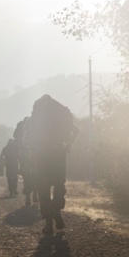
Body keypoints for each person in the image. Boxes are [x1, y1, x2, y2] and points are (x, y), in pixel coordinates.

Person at [23, 95, 80, 235]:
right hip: (58, 154)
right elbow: (76, 130)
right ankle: (56, 208)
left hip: (41, 156)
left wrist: (34, 146)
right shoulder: (60, 118)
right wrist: (68, 144)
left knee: (43, 189)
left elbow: (25, 141)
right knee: (59, 184)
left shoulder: (33, 120)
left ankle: (48, 222)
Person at [15, 118, 37, 206]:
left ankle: (28, 195)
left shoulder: (21, 127)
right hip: (35, 152)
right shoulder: (38, 124)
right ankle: (35, 193)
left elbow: (18, 142)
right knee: (37, 175)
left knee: (27, 175)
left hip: (25, 153)